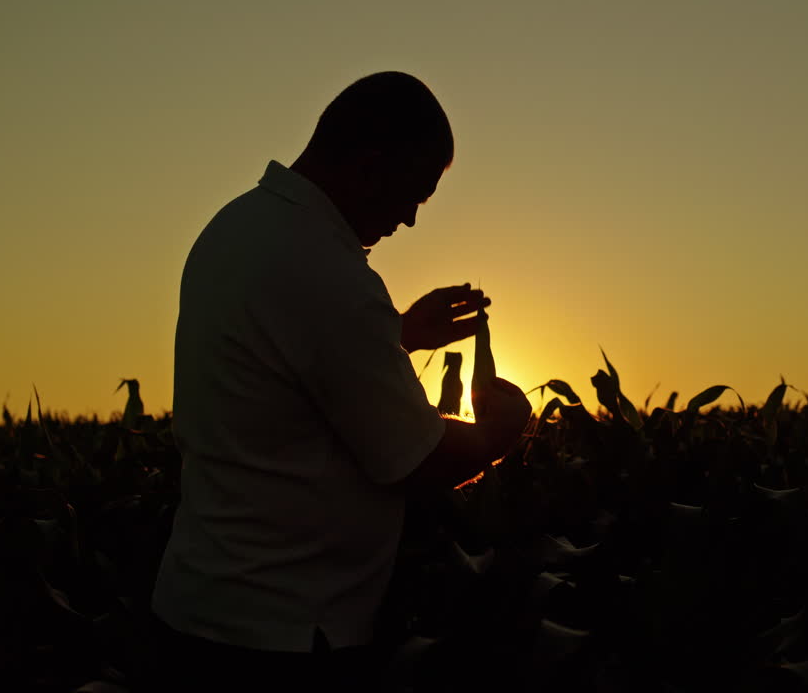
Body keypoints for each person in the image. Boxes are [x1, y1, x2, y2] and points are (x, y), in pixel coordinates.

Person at [145, 71, 531, 691]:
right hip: (284, 640)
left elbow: (282, 366)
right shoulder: (330, 273)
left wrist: (396, 335)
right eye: (414, 194)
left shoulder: (236, 228)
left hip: (199, 611)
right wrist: (501, 430)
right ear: (371, 163)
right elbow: (418, 461)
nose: (408, 219)